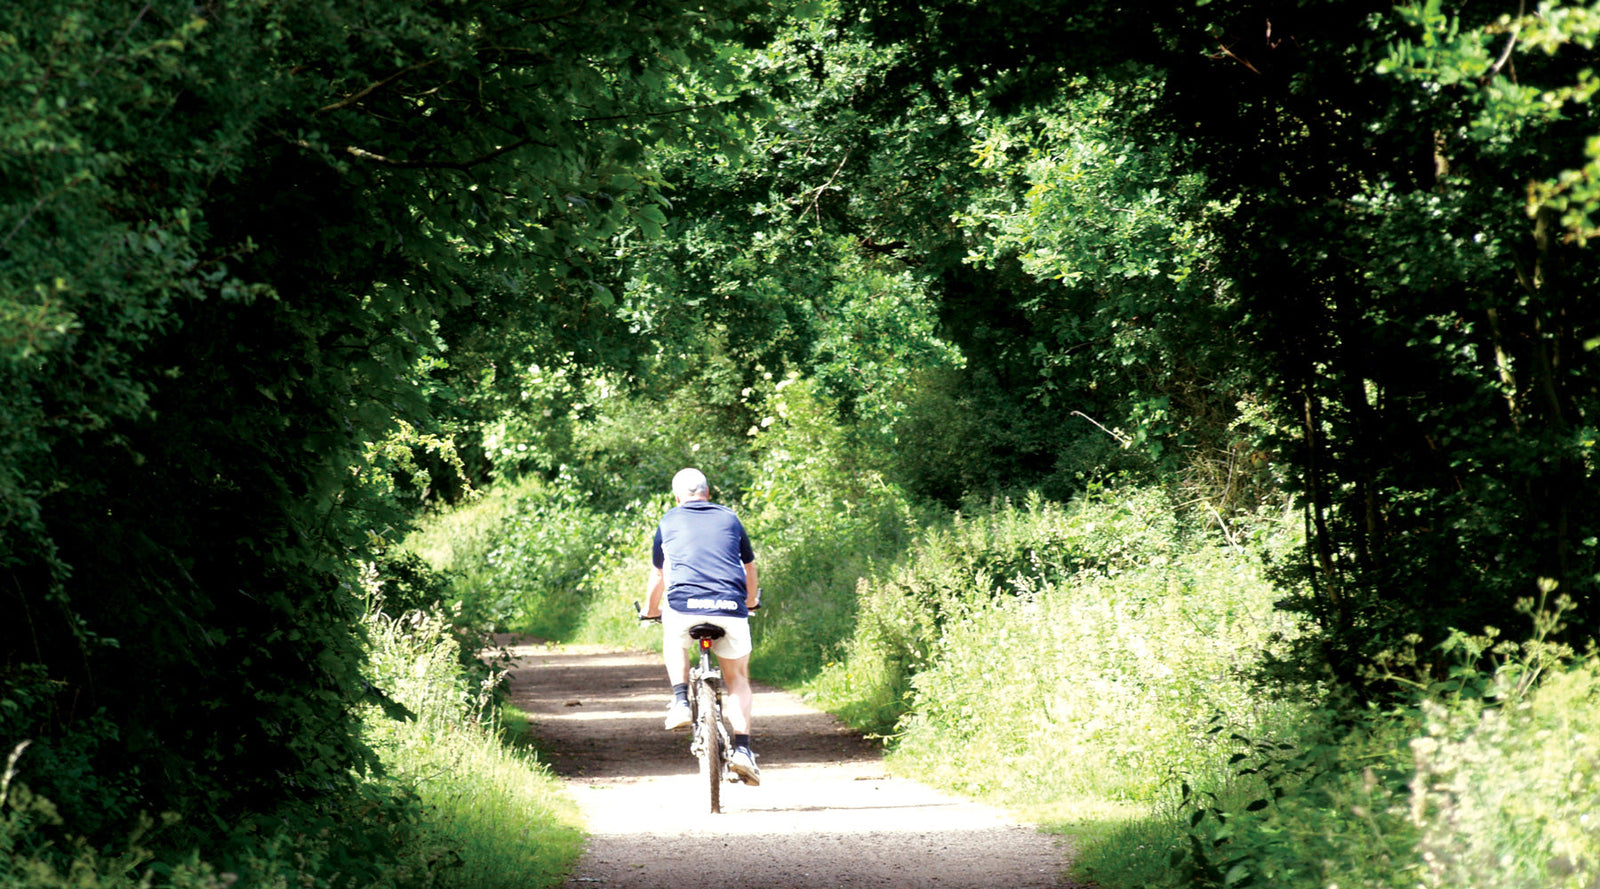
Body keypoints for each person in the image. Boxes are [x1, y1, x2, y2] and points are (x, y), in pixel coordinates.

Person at [641, 467, 762, 785]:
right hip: (728, 606)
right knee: (737, 680)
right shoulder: (729, 518)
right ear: (708, 493)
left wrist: (650, 610)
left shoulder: (668, 520)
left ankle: (680, 700)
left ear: (677, 497)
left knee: (673, 635)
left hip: (683, 606)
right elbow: (749, 567)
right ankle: (744, 751)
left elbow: (658, 576)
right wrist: (749, 603)